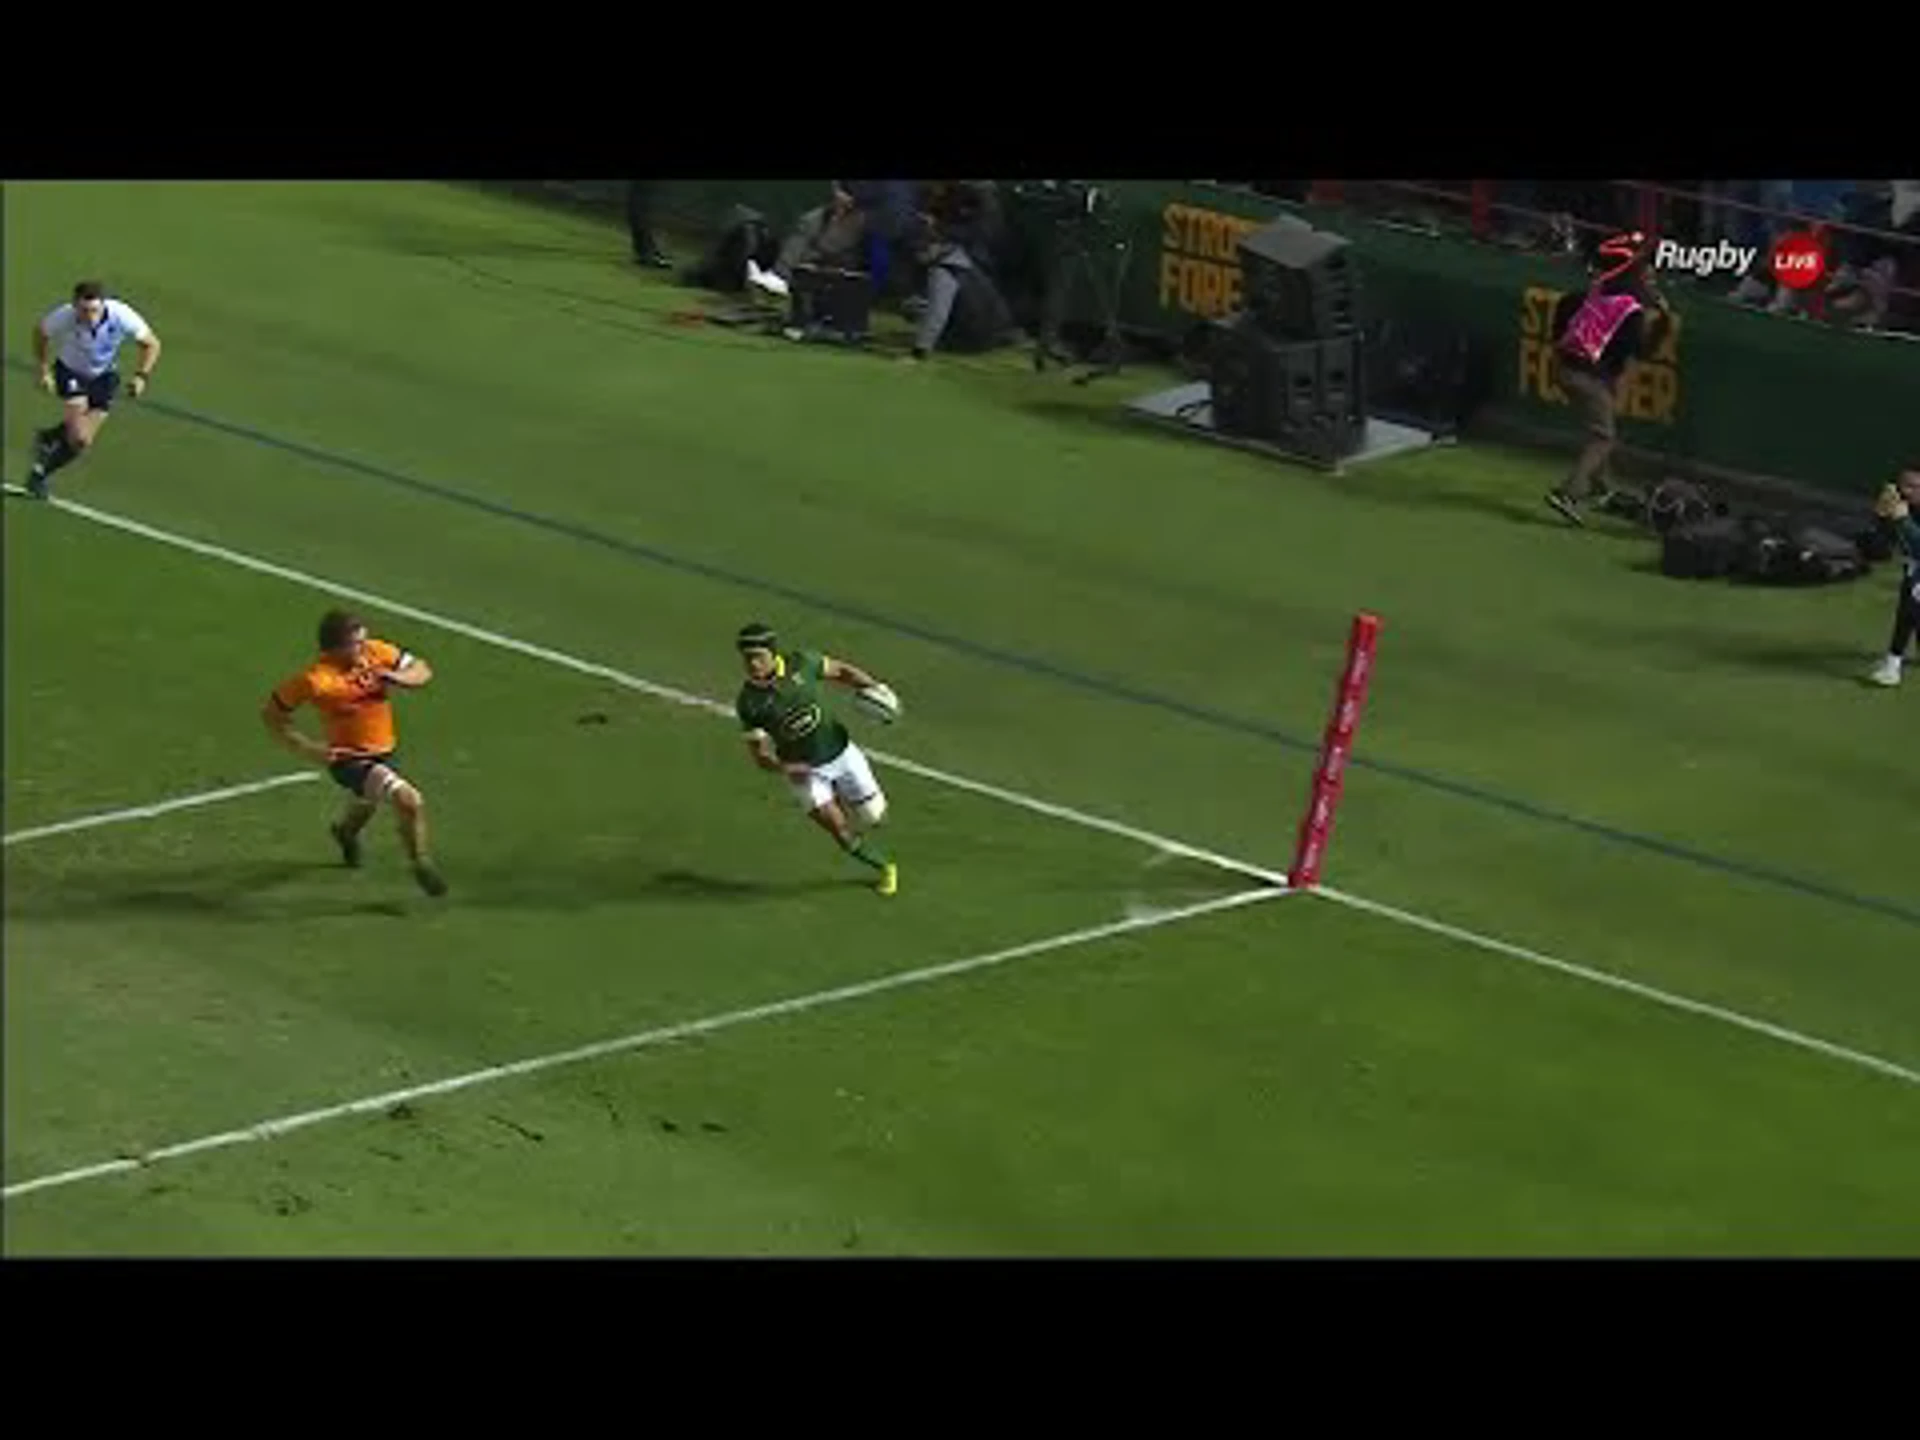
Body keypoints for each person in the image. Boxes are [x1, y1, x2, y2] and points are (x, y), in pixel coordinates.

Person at [261, 609, 447, 896]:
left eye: (364, 640)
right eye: (356, 644)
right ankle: (421, 865)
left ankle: (345, 832)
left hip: (385, 749)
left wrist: (398, 678)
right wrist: (306, 747)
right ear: (334, 649)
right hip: (350, 759)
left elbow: (422, 669)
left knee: (368, 801)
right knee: (409, 800)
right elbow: (273, 713)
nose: (364, 648)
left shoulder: (374, 652)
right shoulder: (317, 680)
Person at [733, 622, 899, 897]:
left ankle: (848, 797)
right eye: (747, 658)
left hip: (842, 754)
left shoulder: (802, 663)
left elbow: (841, 671)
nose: (752, 664)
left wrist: (873, 686)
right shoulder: (749, 702)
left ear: (773, 653)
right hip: (806, 773)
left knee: (874, 816)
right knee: (839, 830)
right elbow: (760, 755)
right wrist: (786, 768)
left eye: (758, 656)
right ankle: (885, 867)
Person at [1543, 230, 1674, 527]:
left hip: (1568, 369)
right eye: (1649, 278)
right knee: (1603, 437)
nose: (1653, 283)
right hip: (1587, 376)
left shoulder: (1600, 291)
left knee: (1600, 427)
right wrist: (1663, 320)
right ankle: (1568, 494)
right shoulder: (1632, 310)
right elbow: (1640, 351)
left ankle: (1600, 489)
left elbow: (1568, 313)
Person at [25, 280, 162, 500]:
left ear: (103, 305)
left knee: (83, 439)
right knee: (79, 439)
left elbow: (152, 344)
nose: (89, 316)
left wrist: (141, 376)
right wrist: (42, 369)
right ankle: (39, 476)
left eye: (94, 311)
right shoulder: (65, 316)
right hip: (70, 372)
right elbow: (41, 333)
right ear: (75, 306)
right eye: (83, 311)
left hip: (104, 376)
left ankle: (49, 440)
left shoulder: (121, 315)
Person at [1867, 469, 1920, 688]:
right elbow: (1877, 551)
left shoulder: (1904, 513)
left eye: (1915, 486)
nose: (1907, 491)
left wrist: (1904, 520)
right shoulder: (1902, 507)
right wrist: (1880, 517)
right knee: (1911, 600)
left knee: (1910, 606)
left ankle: (1892, 666)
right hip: (1915, 568)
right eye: (1904, 485)